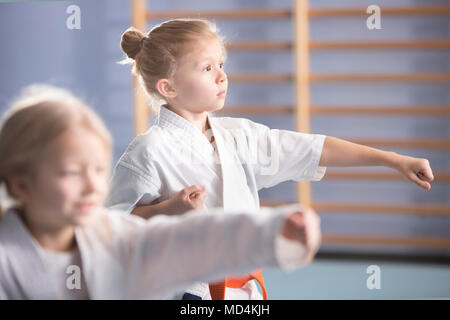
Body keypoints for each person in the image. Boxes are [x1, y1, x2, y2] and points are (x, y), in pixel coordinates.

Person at [106, 19, 434, 300]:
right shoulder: (149, 150)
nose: (221, 76)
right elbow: (109, 228)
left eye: (221, 64)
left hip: (245, 286)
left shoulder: (241, 137)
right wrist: (168, 209)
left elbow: (315, 149)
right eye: (207, 68)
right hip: (182, 290)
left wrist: (392, 160)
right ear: (169, 87)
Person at [0, 85, 322, 300]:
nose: (92, 187)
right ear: (21, 183)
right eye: (71, 172)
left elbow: (192, 239)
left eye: (98, 170)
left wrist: (273, 231)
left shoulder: (111, 235)